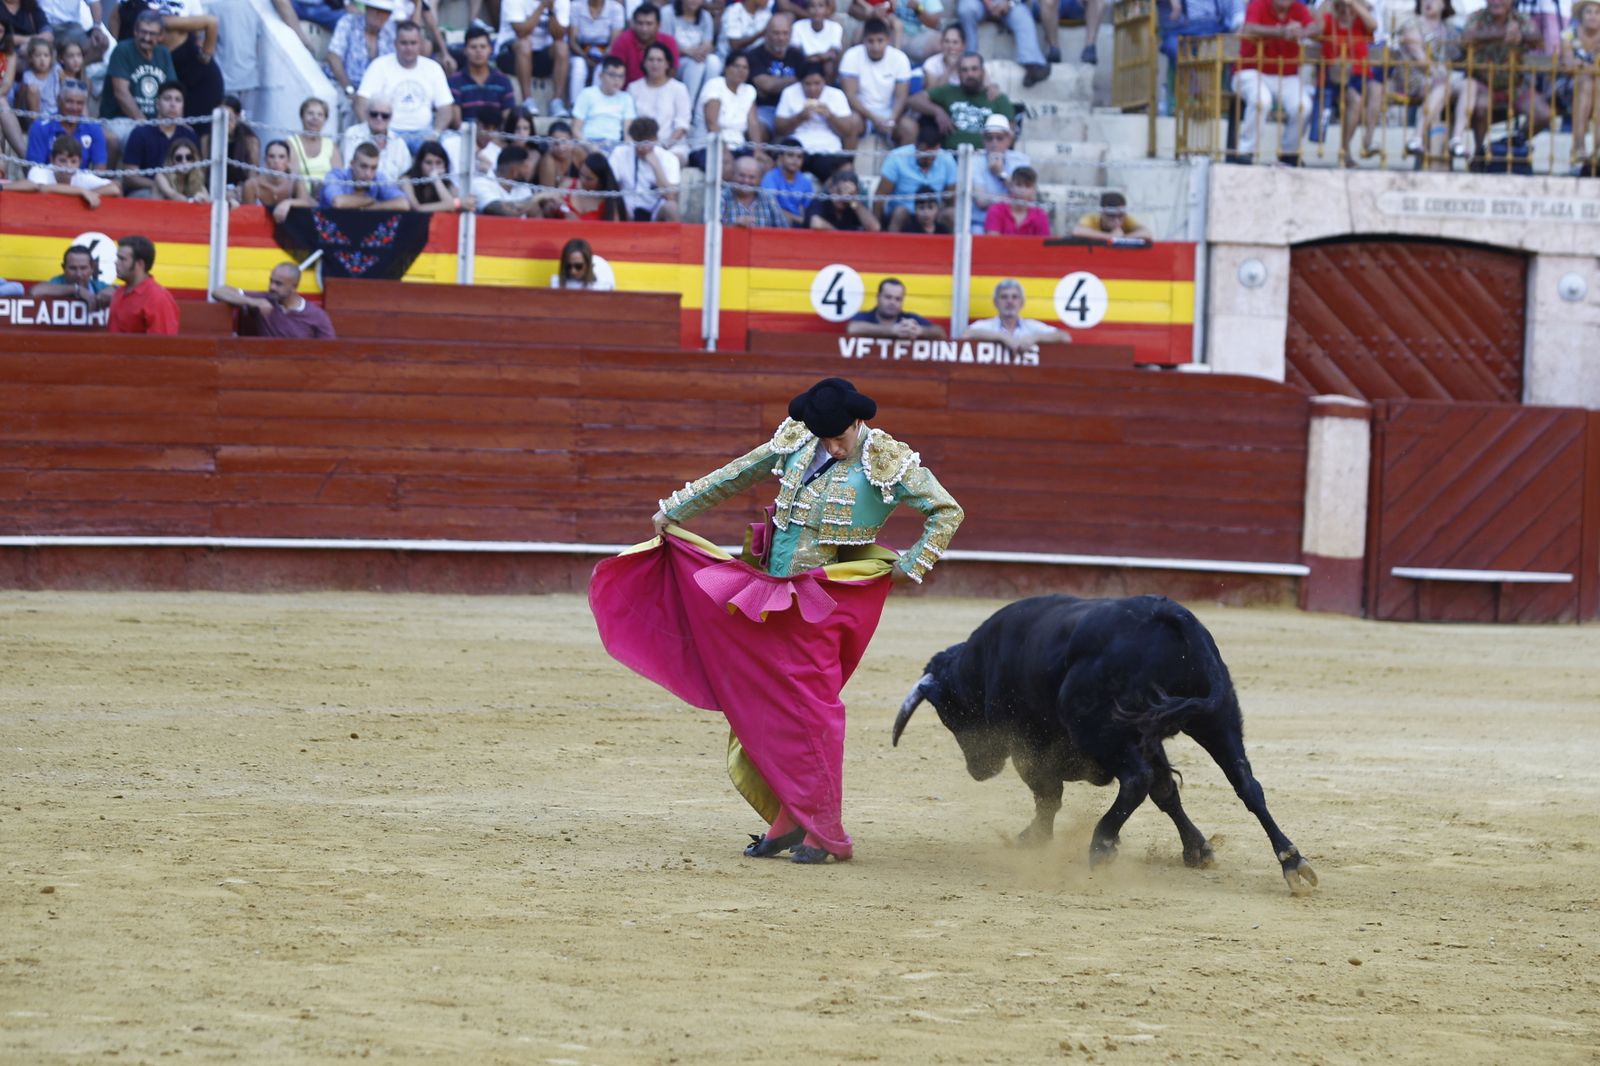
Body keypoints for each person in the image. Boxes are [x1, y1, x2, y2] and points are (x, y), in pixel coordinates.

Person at [590, 378, 963, 865]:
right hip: (769, 594)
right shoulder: (797, 439)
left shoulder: (886, 459)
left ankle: (823, 827)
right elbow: (737, 474)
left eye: (840, 437)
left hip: (824, 598)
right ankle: (793, 818)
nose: (832, 445)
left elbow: (945, 510)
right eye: (824, 436)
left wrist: (912, 565)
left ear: (858, 421)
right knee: (768, 701)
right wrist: (675, 509)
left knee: (812, 707)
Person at [1231, 0, 1316, 165]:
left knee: (1303, 106)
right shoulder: (1259, 4)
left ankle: (1289, 153)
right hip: (1251, 70)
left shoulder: (1299, 9)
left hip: (1286, 74)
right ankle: (1245, 151)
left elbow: (1314, 27)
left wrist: (1303, 31)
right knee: (1261, 100)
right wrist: (1281, 32)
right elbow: (1249, 28)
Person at [1462, 0, 1550, 152]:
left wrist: (1520, 36)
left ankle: (1514, 141)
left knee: (1544, 114)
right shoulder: (1477, 17)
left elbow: (1538, 39)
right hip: (1483, 84)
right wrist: (1503, 34)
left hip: (1514, 85)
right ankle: (1479, 152)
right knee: (1481, 107)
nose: (1497, 1)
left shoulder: (1520, 18)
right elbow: (1466, 38)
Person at [357, 19, 454, 151]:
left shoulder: (433, 68)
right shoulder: (379, 66)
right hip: (388, 134)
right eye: (404, 43)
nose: (409, 48)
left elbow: (446, 107)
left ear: (420, 44)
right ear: (395, 44)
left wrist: (435, 134)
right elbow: (361, 101)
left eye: (413, 43)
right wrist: (372, 132)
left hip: (425, 134)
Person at [1397, 0, 1472, 159]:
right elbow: (1420, 58)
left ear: (1444, 4)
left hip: (1442, 80)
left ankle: (1456, 140)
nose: (1428, 2)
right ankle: (1416, 138)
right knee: (1443, 84)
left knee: (1469, 85)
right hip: (1416, 79)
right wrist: (1440, 73)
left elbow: (1461, 55)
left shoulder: (1449, 30)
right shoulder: (1412, 24)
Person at [1319, 0, 1382, 164]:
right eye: (1341, 6)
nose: (1345, 10)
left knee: (1375, 90)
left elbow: (1373, 25)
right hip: (1335, 78)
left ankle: (1366, 141)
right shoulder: (1329, 21)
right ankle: (1345, 150)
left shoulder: (1360, 21)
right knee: (1355, 99)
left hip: (1359, 76)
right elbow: (1316, 24)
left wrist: (1353, 3)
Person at [910, 52, 1015, 150]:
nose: (970, 74)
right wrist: (938, 111)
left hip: (985, 158)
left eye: (974, 69)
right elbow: (913, 100)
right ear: (958, 74)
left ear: (982, 72)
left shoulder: (998, 98)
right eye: (964, 70)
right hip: (951, 157)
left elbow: (1010, 134)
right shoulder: (948, 91)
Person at [99, 10, 175, 141]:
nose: (146, 38)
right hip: (121, 120)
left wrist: (173, 122)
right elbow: (121, 93)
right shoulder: (123, 50)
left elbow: (172, 90)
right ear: (135, 31)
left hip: (155, 121)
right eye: (143, 32)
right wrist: (145, 125)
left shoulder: (163, 53)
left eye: (152, 34)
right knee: (143, 140)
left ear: (161, 36)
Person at [774, 61, 857, 178]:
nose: (813, 89)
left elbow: (848, 130)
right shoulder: (789, 93)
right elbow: (779, 128)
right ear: (800, 82)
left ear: (825, 81)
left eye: (817, 84)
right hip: (798, 150)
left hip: (828, 150)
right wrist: (799, 118)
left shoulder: (836, 95)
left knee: (834, 172)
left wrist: (830, 117)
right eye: (808, 84)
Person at [211, 263, 338, 339]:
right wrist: (252, 302)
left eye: (278, 284)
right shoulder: (265, 299)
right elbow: (218, 291)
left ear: (294, 287)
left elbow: (330, 352)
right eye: (271, 281)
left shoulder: (317, 316)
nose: (272, 287)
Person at [840, 17, 911, 145]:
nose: (876, 46)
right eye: (871, 41)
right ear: (863, 41)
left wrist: (892, 119)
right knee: (852, 122)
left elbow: (901, 97)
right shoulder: (851, 56)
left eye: (880, 41)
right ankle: (846, 164)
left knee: (910, 128)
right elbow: (851, 96)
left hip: (890, 114)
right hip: (862, 114)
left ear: (888, 40)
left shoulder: (900, 58)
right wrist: (874, 118)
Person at [120, 79, 196, 197]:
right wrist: (163, 187)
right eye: (167, 99)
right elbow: (130, 177)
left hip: (181, 191)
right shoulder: (140, 133)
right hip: (147, 190)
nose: (173, 104)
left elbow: (196, 173)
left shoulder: (189, 134)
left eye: (178, 100)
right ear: (157, 104)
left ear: (183, 106)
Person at [874, 116, 954, 229]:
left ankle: (957, 246)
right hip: (906, 214)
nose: (927, 159)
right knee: (900, 212)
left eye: (931, 156)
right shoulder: (897, 157)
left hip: (934, 214)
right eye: (923, 155)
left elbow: (952, 198)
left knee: (951, 214)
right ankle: (890, 245)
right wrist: (877, 229)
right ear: (916, 145)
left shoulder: (947, 159)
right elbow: (879, 197)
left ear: (938, 148)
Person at [496, 0, 571, 114]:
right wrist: (542, 7)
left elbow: (559, 35)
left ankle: (557, 102)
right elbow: (521, 32)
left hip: (541, 55)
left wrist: (551, 11)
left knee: (562, 47)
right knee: (525, 44)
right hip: (511, 53)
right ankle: (528, 100)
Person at [695, 49, 760, 174]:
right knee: (726, 166)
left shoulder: (749, 90)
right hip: (708, 147)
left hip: (738, 147)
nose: (741, 71)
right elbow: (712, 123)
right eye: (736, 66)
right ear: (726, 68)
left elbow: (753, 123)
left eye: (745, 68)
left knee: (763, 165)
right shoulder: (715, 85)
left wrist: (758, 151)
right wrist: (724, 151)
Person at [957, 0, 1050, 87]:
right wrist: (989, 4)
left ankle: (1032, 65)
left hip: (1006, 4)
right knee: (966, 9)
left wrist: (1009, 3)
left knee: (1022, 15)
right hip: (978, 2)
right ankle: (968, 59)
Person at [962, 277, 1070, 352]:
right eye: (1004, 297)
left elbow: (1064, 337)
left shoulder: (1031, 327)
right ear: (995, 302)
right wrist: (1001, 337)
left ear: (1022, 303)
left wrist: (1035, 338)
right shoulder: (987, 326)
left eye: (1015, 297)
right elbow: (966, 335)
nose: (1010, 301)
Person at [627, 40, 690, 158]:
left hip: (671, 146)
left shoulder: (679, 88)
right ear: (644, 63)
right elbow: (629, 122)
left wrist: (663, 147)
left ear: (667, 64)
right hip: (639, 145)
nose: (654, 64)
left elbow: (682, 125)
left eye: (659, 60)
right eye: (651, 60)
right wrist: (641, 147)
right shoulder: (633, 88)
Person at [25, 78, 107, 169]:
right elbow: (34, 170)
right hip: (47, 180)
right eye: (69, 102)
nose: (74, 108)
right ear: (58, 100)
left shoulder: (94, 129)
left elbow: (100, 169)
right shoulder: (40, 128)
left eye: (79, 103)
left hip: (80, 180)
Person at [743, 13, 804, 135]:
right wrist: (797, 79)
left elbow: (808, 80)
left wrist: (778, 82)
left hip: (793, 108)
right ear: (766, 34)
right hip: (765, 108)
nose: (781, 38)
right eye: (776, 33)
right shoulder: (754, 55)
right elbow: (767, 86)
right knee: (758, 130)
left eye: (785, 33)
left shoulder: (797, 55)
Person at [325, 0, 396, 102]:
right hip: (344, 87)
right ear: (367, 9)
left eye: (385, 12)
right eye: (376, 11)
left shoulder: (390, 33)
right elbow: (333, 56)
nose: (380, 16)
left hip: (374, 91)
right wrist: (349, 89)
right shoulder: (348, 22)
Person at [108, 234, 179, 335]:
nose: (116, 262)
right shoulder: (119, 292)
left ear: (140, 264)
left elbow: (163, 346)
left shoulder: (157, 298)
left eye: (122, 259)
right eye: (117, 258)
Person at [969, 113, 1028, 233]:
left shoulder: (1020, 160)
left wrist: (1001, 173)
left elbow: (1025, 197)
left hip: (1012, 221)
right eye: (989, 138)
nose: (994, 143)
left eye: (999, 138)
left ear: (1009, 140)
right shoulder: (975, 160)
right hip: (981, 222)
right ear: (984, 141)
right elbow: (981, 201)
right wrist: (1011, 197)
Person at [24, 134, 121, 206]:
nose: (68, 166)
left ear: (80, 163)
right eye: (62, 160)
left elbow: (114, 189)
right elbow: (41, 188)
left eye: (73, 161)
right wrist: (82, 191)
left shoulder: (81, 176)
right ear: (52, 160)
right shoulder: (39, 170)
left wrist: (91, 193)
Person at [450, 24, 516, 128]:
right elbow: (456, 122)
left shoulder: (503, 81)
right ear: (465, 50)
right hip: (464, 138)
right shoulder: (454, 81)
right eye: (473, 47)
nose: (478, 51)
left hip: (496, 138)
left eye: (483, 46)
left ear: (490, 49)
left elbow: (507, 120)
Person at [1562, 0, 1600, 166]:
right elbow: (1569, 64)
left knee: (1597, 83)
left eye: (1597, 12)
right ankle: (1579, 145)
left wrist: (1585, 66)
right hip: (1570, 87)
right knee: (1585, 82)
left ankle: (1594, 148)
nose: (1593, 16)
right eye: (1589, 12)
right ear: (1581, 15)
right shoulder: (1569, 34)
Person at [240, 139, 316, 221]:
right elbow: (248, 216)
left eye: (281, 157)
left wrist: (288, 203)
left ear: (288, 161)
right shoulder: (252, 185)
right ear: (265, 160)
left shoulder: (295, 181)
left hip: (290, 230)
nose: (276, 161)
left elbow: (306, 202)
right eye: (271, 156)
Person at [342, 94, 415, 180]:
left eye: (385, 116)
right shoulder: (352, 134)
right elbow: (348, 168)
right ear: (366, 113)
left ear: (391, 117)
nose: (379, 118)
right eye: (374, 114)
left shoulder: (398, 142)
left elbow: (405, 175)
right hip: (361, 188)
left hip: (391, 190)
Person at [320, 141, 410, 208]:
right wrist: (370, 200)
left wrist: (372, 208)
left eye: (373, 168)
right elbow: (338, 202)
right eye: (363, 166)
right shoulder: (335, 175)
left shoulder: (379, 178)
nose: (368, 173)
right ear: (352, 164)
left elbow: (404, 203)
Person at [566, 0, 624, 104]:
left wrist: (600, 57)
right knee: (579, 66)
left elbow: (614, 43)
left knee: (601, 69)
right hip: (580, 52)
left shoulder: (616, 8)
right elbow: (572, 41)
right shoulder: (576, 6)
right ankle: (575, 105)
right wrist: (585, 56)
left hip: (605, 53)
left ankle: (596, 105)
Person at [848, 276, 943, 337]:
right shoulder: (864, 317)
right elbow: (853, 328)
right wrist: (892, 331)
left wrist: (920, 331)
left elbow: (940, 332)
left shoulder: (909, 318)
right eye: (888, 297)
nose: (893, 302)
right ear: (878, 297)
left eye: (898, 299)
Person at [661, 0, 719, 101]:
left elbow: (708, 43)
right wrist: (689, 52)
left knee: (714, 61)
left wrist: (701, 51)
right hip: (675, 60)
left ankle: (704, 104)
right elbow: (665, 45)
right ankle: (688, 104)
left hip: (697, 57)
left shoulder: (705, 16)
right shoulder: (667, 13)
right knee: (696, 65)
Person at [610, 2, 678, 85]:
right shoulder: (623, 41)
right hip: (629, 92)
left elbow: (672, 71)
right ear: (633, 24)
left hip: (662, 89)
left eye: (649, 24)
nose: (644, 29)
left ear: (658, 25)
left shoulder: (669, 42)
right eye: (640, 23)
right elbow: (614, 70)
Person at [572, 54, 636, 141]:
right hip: (587, 143)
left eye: (621, 76)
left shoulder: (626, 98)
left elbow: (628, 133)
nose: (617, 80)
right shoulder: (587, 94)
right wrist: (590, 147)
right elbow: (575, 129)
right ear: (601, 76)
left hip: (614, 145)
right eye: (612, 75)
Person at [31, 243, 116, 309]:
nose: (78, 274)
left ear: (92, 268)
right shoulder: (58, 282)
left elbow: (120, 291)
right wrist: (75, 289)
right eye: (73, 268)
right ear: (64, 268)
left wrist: (103, 295)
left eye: (83, 268)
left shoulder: (96, 286)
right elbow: (35, 291)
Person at [402, 138, 474, 211]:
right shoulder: (407, 180)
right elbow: (417, 208)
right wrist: (458, 203)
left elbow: (454, 207)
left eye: (438, 163)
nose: (434, 168)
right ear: (419, 163)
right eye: (428, 162)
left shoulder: (448, 183)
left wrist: (437, 181)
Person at [289, 96, 343, 190]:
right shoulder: (291, 143)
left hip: (326, 196)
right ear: (302, 116)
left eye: (320, 115)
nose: (315, 118)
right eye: (310, 113)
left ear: (325, 120)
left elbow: (338, 178)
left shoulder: (331, 146)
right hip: (300, 196)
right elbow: (292, 178)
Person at [472, 142, 541, 214]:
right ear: (514, 171)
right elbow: (505, 212)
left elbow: (538, 219)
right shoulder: (480, 184)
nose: (529, 170)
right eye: (526, 167)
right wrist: (537, 198)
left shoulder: (523, 187)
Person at [981, 165, 1049, 235]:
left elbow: (1042, 244)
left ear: (1034, 190)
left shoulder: (1040, 215)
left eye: (1028, 186)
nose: (1022, 190)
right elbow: (992, 243)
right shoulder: (996, 210)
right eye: (1019, 185)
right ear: (1011, 186)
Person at [722, 151, 786, 225]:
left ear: (760, 179)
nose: (746, 180)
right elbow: (709, 230)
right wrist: (734, 226)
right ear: (733, 175)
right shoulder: (722, 197)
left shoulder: (768, 199)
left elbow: (784, 230)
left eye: (752, 177)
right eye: (742, 175)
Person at [758, 136, 812, 224]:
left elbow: (809, 209)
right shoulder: (771, 177)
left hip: (797, 225)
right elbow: (770, 208)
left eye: (799, 157)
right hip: (773, 223)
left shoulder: (805, 181)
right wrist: (798, 219)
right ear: (781, 157)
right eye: (790, 155)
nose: (795, 160)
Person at [803, 167, 879, 229]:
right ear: (831, 188)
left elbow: (874, 228)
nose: (842, 197)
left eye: (847, 193)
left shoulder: (854, 205)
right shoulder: (821, 201)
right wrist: (839, 237)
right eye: (839, 191)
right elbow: (816, 223)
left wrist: (852, 199)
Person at [1071, 190, 1152, 242]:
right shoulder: (1092, 219)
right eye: (1111, 215)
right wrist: (1110, 237)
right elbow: (1077, 231)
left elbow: (1147, 233)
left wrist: (1123, 238)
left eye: (1120, 215)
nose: (1117, 220)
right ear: (1102, 213)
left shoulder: (1126, 219)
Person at [792, 0, 842, 80]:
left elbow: (833, 53)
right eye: (812, 6)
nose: (816, 10)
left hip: (824, 64)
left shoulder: (835, 27)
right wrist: (820, 57)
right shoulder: (798, 26)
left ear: (827, 9)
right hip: (805, 63)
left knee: (829, 64)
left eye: (820, 6)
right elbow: (796, 53)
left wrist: (815, 58)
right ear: (807, 9)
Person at [153, 135, 208, 201]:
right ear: (172, 160)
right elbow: (173, 195)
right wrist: (193, 200)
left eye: (188, 157)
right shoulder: (161, 176)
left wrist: (202, 198)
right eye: (179, 158)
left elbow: (207, 199)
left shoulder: (196, 176)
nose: (184, 161)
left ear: (194, 160)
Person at [551, 236, 615, 287]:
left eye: (578, 266)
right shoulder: (556, 283)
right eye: (568, 266)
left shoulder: (602, 285)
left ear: (588, 264)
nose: (573, 271)